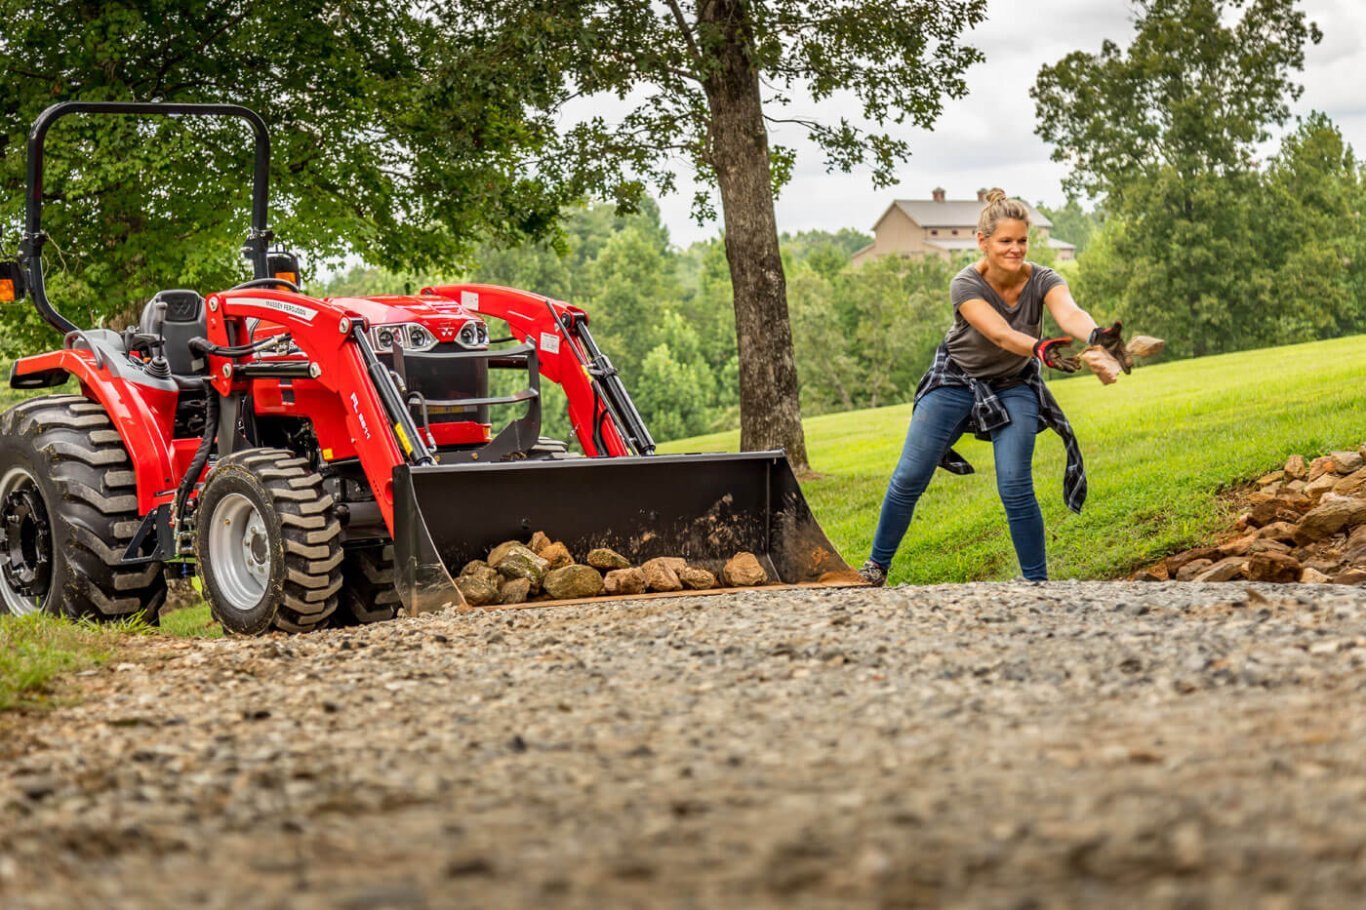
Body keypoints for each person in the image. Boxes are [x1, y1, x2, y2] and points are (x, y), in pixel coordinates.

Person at [858, 188, 1128, 587]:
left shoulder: (1044, 279)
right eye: (1005, 241)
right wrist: (1039, 348)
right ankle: (875, 567)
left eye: (1022, 240)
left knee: (1015, 482)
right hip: (955, 378)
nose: (1015, 249)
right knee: (910, 475)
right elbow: (999, 333)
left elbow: (1069, 311)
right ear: (982, 241)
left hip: (1013, 383)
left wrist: (1095, 335)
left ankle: (1035, 582)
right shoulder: (965, 283)